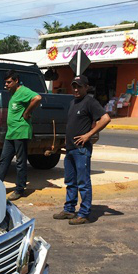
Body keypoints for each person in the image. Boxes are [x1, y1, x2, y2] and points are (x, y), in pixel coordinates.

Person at [53, 75, 111, 225]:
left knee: (83, 182)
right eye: (74, 86)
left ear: (86, 87)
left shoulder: (90, 102)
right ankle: (69, 210)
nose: (76, 89)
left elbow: (105, 119)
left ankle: (84, 213)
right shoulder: (73, 102)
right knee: (70, 181)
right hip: (71, 149)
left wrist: (88, 135)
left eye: (79, 86)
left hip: (81, 150)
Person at [0, 70, 42, 200]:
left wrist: (27, 113)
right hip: (11, 132)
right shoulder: (13, 92)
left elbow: (37, 97)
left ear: (16, 81)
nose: (7, 85)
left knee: (20, 161)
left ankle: (20, 189)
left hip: (20, 130)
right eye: (5, 82)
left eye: (9, 82)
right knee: (4, 159)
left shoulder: (24, 91)